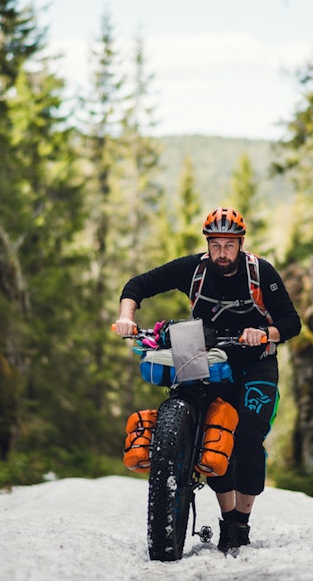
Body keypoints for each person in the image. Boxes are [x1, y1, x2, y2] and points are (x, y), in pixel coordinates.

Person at [114, 206, 301, 553]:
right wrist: (127, 317)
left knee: (245, 436)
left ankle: (239, 524)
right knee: (213, 435)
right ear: (208, 244)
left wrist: (264, 333)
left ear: (241, 244)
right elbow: (138, 284)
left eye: (229, 245)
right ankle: (223, 512)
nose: (222, 253)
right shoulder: (194, 269)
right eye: (216, 245)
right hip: (205, 355)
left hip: (255, 363)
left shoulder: (260, 272)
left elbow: (292, 322)